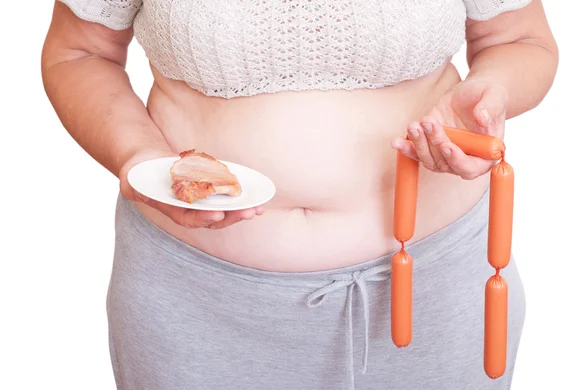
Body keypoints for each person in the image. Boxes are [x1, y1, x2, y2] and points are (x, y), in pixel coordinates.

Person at [42, 0, 558, 389]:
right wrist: (138, 156)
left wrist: (490, 97)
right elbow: (80, 50)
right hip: (197, 300)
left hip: (433, 290)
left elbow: (518, 39)